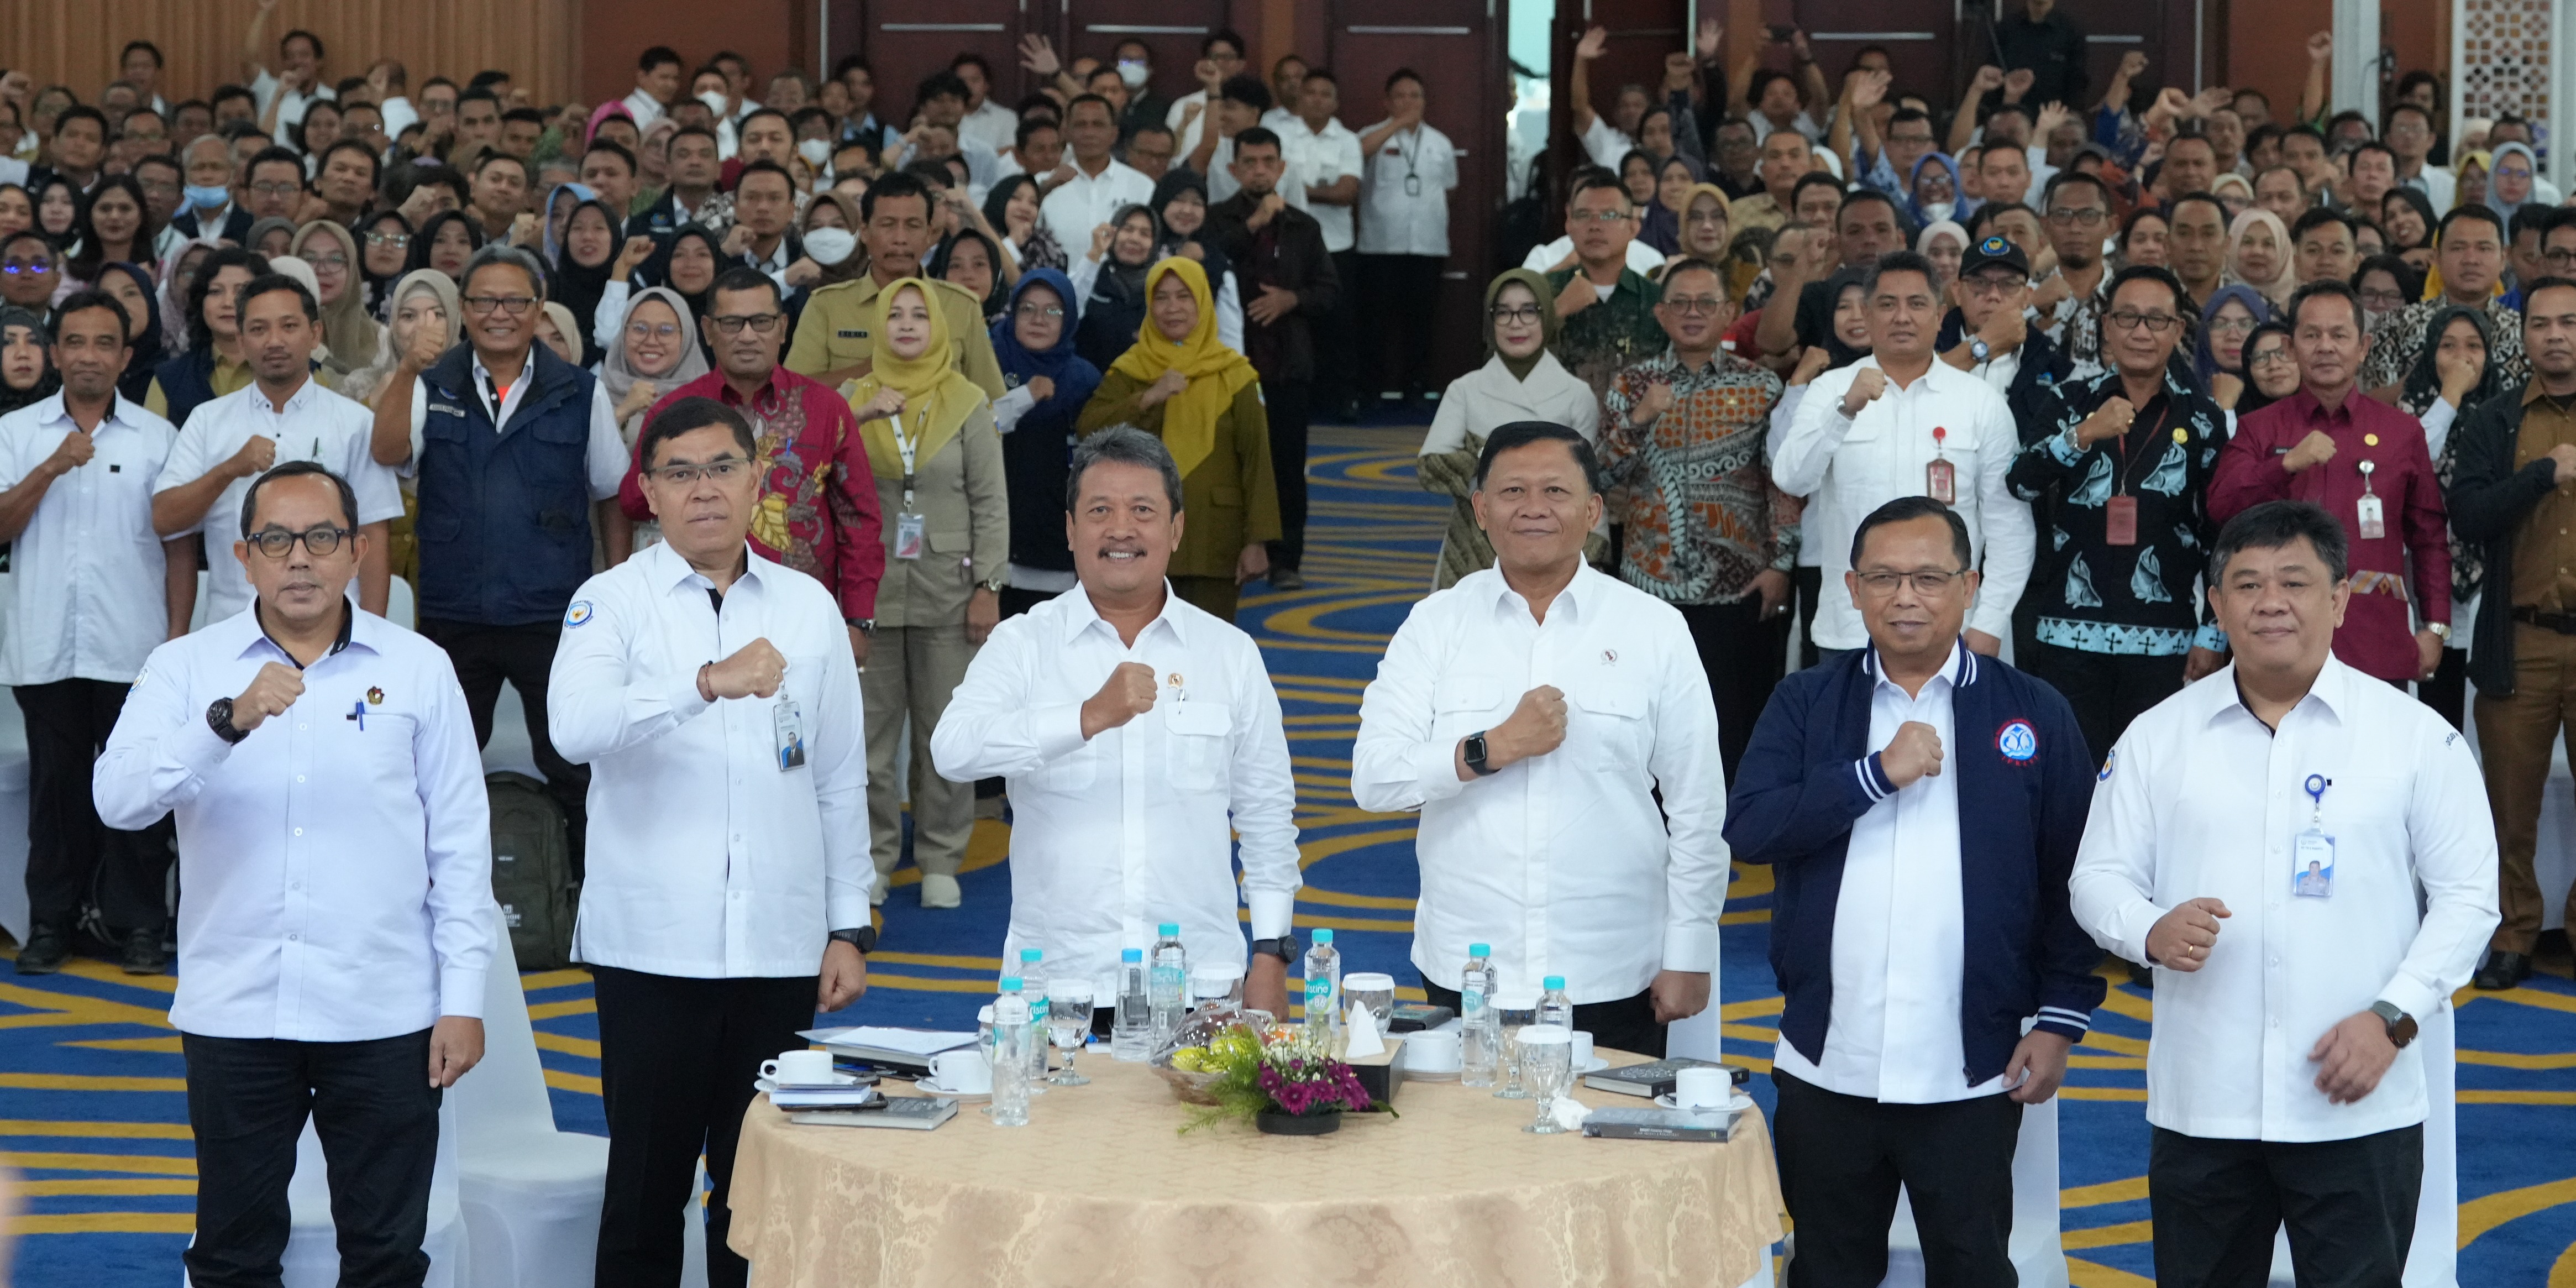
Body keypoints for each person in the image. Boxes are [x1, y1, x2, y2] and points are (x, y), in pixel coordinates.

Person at [2069, 499, 2497, 1288]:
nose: (2271, 601)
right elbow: (2097, 876)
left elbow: (2469, 900)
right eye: (2247, 583)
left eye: (2295, 582)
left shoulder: (2414, 737)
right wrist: (2147, 927)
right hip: (2205, 1101)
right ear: (2215, 603)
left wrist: (2392, 1016)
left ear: (2338, 598)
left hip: (2357, 1097)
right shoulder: (2157, 736)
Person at [93, 455, 492, 1287]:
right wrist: (224, 722)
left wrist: (462, 999)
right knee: (234, 1251)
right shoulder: (187, 669)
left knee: (385, 1252)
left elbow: (458, 844)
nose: (299, 558)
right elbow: (118, 800)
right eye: (276, 539)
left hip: (385, 1009)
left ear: (357, 551)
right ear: (243, 558)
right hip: (237, 1006)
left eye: (321, 537)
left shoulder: (417, 667)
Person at [1728, 495, 2101, 1286]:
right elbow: (1753, 829)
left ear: (1969, 586)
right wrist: (1872, 774)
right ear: (1851, 589)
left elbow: (2074, 873)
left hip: (1971, 1063)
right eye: (1885, 578)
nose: (1906, 597)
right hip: (1828, 1058)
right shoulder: (1806, 702)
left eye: (1929, 577)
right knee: (1828, 1266)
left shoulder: (2032, 710)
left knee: (1971, 1265)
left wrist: (2063, 1017)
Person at [550, 394, 868, 1288]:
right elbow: (574, 728)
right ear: (646, 491)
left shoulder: (807, 607)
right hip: (652, 947)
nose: (703, 491)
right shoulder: (607, 603)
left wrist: (848, 925)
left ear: (758, 477)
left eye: (722, 468)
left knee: (761, 1195)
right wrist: (702, 684)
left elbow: (840, 776)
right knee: (646, 1192)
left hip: (778, 943)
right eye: (679, 474)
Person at [1352, 420, 1722, 1055]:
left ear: (1593, 510)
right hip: (1468, 967)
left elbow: (1697, 806)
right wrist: (1490, 747)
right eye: (1512, 491)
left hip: (1614, 968)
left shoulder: (1653, 628)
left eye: (1554, 490)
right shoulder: (1435, 624)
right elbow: (1375, 777)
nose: (1532, 508)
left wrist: (1689, 947)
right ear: (1480, 510)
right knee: (1472, 1153)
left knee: (1610, 1151)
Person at [932, 423, 1300, 1013]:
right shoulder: (1023, 642)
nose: (1121, 528)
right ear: (1071, 529)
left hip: (1200, 983)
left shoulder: (1227, 653)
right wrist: (1084, 716)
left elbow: (1265, 811)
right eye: (1100, 509)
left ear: (1176, 529)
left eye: (1143, 510)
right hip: (1055, 984)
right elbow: (953, 750)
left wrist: (1270, 953)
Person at [368, 244, 631, 878]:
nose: (499, 313)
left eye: (515, 300)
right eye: (483, 301)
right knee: (437, 771)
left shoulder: (579, 389)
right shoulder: (434, 381)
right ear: (464, 310)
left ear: (538, 308)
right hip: (457, 611)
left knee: (574, 765)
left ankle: (587, 902)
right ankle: (428, 897)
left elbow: (611, 492)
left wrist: (618, 593)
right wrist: (406, 369)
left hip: (552, 613)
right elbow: (386, 449)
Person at [0, 290, 188, 975]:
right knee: (56, 794)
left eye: (103, 343)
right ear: (55, 354)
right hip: (45, 645)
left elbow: (177, 545)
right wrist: (50, 466)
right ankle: (50, 921)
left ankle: (139, 923)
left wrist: (173, 638)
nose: (88, 355)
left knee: (138, 793)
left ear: (125, 356)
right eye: (74, 342)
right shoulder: (16, 434)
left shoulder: (157, 437)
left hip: (133, 645)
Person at [2007, 265, 2229, 761]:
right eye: (2127, 318)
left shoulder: (2201, 418)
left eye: (2156, 320)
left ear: (2177, 331)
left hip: (2165, 638)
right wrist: (2084, 434)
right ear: (2106, 326)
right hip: (2066, 633)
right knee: (2070, 779)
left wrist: (2214, 632)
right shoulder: (2069, 401)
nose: (2141, 332)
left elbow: (2222, 531)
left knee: (2150, 783)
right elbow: (2019, 482)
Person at [1774, 250, 2034, 660]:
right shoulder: (1831, 391)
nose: (1901, 317)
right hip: (1850, 630)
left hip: (1953, 634)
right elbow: (1791, 479)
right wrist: (1845, 410)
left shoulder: (1978, 402)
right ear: (1867, 313)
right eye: (1886, 304)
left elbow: (2009, 525)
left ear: (1940, 315)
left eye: (1916, 304)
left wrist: (1989, 622)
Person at [1596, 256, 1792, 782]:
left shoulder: (1761, 387)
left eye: (1706, 302)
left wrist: (1783, 563)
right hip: (1647, 585)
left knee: (1729, 720)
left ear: (1728, 311)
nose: (1692, 312)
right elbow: (1600, 477)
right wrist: (1639, 421)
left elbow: (1781, 483)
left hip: (1737, 584)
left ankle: (1724, 837)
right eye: (1679, 303)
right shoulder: (1632, 384)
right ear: (1660, 313)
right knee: (1648, 724)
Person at [843, 278, 1005, 908]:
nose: (906, 324)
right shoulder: (852, 400)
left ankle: (940, 855)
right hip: (870, 592)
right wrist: (858, 419)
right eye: (895, 314)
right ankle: (875, 857)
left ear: (938, 326)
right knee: (869, 739)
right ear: (879, 326)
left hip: (949, 589)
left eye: (919, 314)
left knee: (945, 733)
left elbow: (992, 502)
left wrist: (988, 585)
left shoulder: (967, 401)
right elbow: (824, 481)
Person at [613, 268, 883, 641]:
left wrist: (857, 620)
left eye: (761, 322)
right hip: (692, 616)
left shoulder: (825, 409)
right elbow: (634, 501)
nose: (747, 336)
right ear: (708, 331)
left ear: (783, 327)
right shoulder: (675, 412)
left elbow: (858, 518)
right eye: (732, 323)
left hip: (800, 615)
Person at [2211, 280, 2453, 689]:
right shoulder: (2259, 428)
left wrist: (2435, 626)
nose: (2325, 346)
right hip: (2276, 645)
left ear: (2363, 346)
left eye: (2339, 335)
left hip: (2376, 645)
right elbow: (2220, 508)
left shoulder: (2400, 432)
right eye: (2311, 335)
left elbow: (2429, 538)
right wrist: (2283, 465)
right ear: (2290, 347)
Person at [2446, 275, 2576, 989]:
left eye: (2569, 322)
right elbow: (2468, 515)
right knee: (2507, 804)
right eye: (2541, 324)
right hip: (2518, 638)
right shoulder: (2493, 419)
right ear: (2521, 335)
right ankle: (2512, 930)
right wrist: (2540, 476)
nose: (2555, 334)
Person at [151, 274, 402, 630]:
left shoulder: (354, 422)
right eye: (258, 329)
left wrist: (374, 635)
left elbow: (374, 535)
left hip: (333, 627)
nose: (274, 341)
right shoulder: (208, 420)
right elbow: (165, 519)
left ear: (315, 334)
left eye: (289, 327)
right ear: (240, 339)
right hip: (232, 626)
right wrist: (230, 469)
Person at [1076, 257, 1276, 620]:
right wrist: (1148, 398)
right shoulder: (1131, 368)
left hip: (1214, 539)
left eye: (1184, 297)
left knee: (1208, 658)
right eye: (1161, 298)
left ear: (1202, 302)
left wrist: (1256, 541)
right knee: (1141, 655)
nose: (1172, 308)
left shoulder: (1236, 374)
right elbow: (1089, 429)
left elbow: (1256, 461)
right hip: (1137, 540)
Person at [1205, 127, 1336, 592]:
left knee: (1286, 466)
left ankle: (1286, 560)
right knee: (1227, 465)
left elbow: (1329, 291)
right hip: (1226, 366)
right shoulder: (1217, 220)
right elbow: (1206, 266)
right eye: (1250, 162)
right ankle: (1229, 555)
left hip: (1286, 364)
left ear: (1281, 168)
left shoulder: (1304, 225)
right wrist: (1254, 225)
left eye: (1268, 162)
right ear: (1233, 170)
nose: (1259, 170)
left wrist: (1292, 299)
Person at [1421, 270, 1600, 590]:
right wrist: (1491, 455)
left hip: (1556, 543)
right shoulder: (1465, 389)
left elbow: (1589, 482)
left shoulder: (1576, 394)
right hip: (1475, 541)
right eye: (1503, 313)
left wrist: (1592, 548)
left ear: (1547, 317)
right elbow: (1430, 468)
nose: (1516, 323)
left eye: (1529, 311)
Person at [786, 172, 1006, 396]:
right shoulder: (827, 305)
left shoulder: (961, 306)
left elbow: (991, 400)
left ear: (929, 234)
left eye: (913, 225)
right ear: (864, 232)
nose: (900, 238)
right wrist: (873, 369)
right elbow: (795, 392)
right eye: (888, 225)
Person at [988, 268, 1101, 617]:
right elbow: (975, 426)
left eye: (1053, 311)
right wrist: (1024, 397)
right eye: (1027, 309)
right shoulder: (987, 361)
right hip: (992, 544)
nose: (1039, 319)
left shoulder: (1084, 379)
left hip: (1057, 547)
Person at [1353, 69, 1456, 412]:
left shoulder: (1441, 143)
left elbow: (1449, 187)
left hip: (1427, 246)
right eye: (1401, 96)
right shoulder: (1371, 136)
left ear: (1425, 102)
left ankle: (1416, 387)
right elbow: (1359, 156)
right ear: (1387, 101)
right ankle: (1370, 390)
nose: (1409, 102)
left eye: (1415, 96)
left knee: (1420, 323)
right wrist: (1396, 125)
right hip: (1380, 246)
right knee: (1375, 323)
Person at [2364, 207, 2528, 394]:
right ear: (2436, 258)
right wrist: (2423, 377)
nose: (2471, 260)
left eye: (2484, 248)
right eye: (2458, 248)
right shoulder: (2395, 325)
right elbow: (2373, 409)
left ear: (2503, 260)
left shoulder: (2524, 331)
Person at [1545, 171, 1666, 405]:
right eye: (1584, 215)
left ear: (1633, 227)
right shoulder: (1544, 291)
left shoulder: (1658, 300)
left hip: (1636, 430)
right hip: (1557, 429)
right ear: (1569, 224)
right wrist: (1555, 312)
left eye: (1609, 216)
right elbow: (1505, 362)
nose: (1595, 226)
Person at [1935, 233, 2072, 431]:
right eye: (1980, 283)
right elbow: (1906, 391)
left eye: (2009, 285)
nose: (1993, 295)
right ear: (1957, 292)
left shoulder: (2053, 362)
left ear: (2027, 297)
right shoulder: (1928, 343)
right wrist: (1987, 343)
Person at [145, 245, 266, 428]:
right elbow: (152, 450)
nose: (228, 303)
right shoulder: (170, 378)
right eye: (216, 291)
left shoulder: (300, 373)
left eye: (241, 292)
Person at [290, 220, 380, 377]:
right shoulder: (275, 333)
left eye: (336, 260)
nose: (322, 270)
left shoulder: (383, 340)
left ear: (352, 269)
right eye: (310, 259)